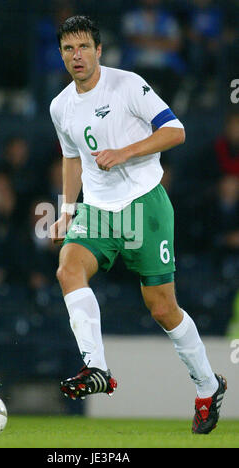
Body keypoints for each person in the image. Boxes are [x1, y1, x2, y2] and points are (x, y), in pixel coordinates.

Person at [49, 15, 226, 434]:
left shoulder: (127, 84)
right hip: (98, 210)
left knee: (162, 308)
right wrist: (67, 209)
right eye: (68, 49)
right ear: (61, 55)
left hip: (144, 206)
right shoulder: (60, 105)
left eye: (83, 47)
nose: (76, 56)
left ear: (99, 50)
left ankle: (207, 386)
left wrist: (126, 151)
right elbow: (72, 157)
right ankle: (97, 369)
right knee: (67, 268)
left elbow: (175, 130)